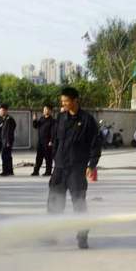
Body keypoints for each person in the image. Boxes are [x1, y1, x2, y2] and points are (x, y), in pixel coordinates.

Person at [48, 86, 101, 249]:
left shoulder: (87, 120)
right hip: (60, 167)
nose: (63, 104)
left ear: (75, 100)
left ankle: (82, 236)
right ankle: (50, 232)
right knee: (54, 202)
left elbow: (95, 144)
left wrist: (91, 165)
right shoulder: (61, 118)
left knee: (79, 203)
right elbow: (56, 140)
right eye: (61, 101)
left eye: (65, 101)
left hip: (77, 169)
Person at [31, 103, 55, 176]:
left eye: (46, 109)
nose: (44, 111)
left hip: (48, 142)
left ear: (50, 111)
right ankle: (36, 171)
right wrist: (34, 120)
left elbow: (53, 132)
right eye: (44, 109)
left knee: (48, 158)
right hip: (40, 141)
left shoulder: (52, 121)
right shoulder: (42, 118)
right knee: (38, 157)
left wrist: (51, 141)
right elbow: (36, 126)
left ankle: (48, 172)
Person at [0, 104, 16, 176]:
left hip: (7, 140)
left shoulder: (9, 119)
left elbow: (9, 131)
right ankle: (10, 170)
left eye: (1, 111)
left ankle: (5, 171)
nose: (0, 112)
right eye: (0, 111)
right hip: (5, 140)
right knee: (8, 156)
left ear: (5, 111)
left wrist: (7, 141)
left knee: (4, 155)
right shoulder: (4, 119)